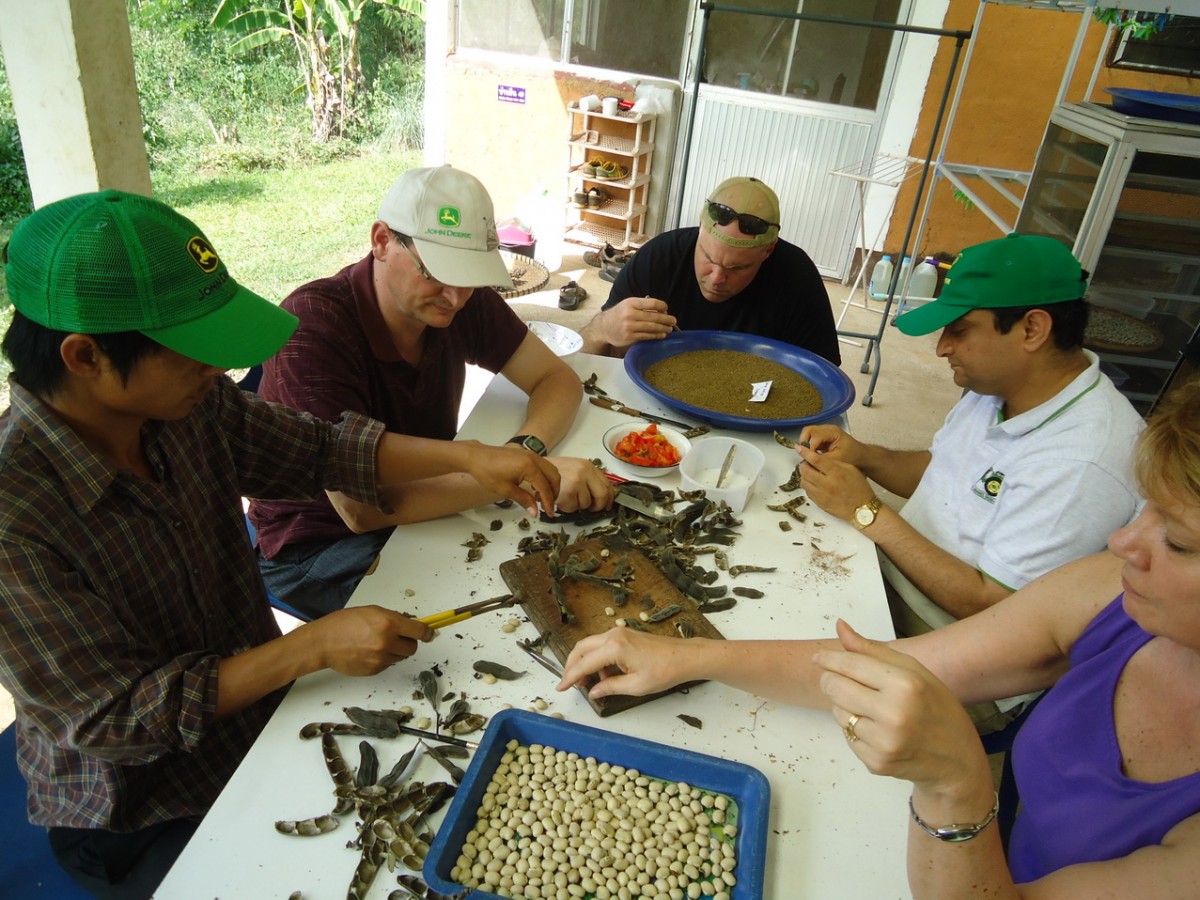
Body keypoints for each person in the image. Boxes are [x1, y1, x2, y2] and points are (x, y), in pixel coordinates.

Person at [0, 189, 562, 898]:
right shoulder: (15, 518)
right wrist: (314, 647)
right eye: (196, 352)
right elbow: (114, 717)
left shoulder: (187, 405)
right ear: (85, 357)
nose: (218, 370)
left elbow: (320, 449)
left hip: (257, 720)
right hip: (142, 806)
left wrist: (474, 459)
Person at [557, 377, 1200, 895]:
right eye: (1146, 509)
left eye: (1176, 540)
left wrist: (957, 788)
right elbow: (898, 665)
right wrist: (688, 655)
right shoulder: (1110, 593)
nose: (1123, 541)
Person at [250, 166, 611, 619]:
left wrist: (525, 452)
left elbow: (555, 379)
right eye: (437, 271)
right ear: (381, 240)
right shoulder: (314, 330)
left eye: (468, 276)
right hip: (317, 542)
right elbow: (362, 512)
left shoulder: (458, 298)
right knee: (505, 610)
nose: (455, 297)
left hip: (421, 503)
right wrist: (518, 475)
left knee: (551, 568)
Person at [795, 234, 1142, 643]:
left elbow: (992, 604)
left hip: (948, 636)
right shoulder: (998, 386)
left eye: (959, 330)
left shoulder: (1084, 460)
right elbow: (942, 472)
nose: (942, 348)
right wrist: (864, 455)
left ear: (1032, 328)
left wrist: (865, 510)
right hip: (893, 572)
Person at [578, 176, 840, 364]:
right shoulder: (659, 257)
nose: (716, 279)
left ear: (768, 250)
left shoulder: (797, 278)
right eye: (708, 258)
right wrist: (603, 327)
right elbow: (581, 360)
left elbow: (822, 382)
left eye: (738, 267)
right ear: (700, 228)